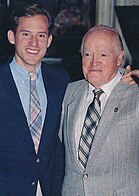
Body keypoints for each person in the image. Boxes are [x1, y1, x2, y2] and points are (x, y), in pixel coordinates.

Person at [60, 25, 139, 195]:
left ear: (119, 58)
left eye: (103, 54)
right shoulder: (68, 93)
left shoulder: (136, 92)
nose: (94, 62)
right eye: (87, 54)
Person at [0, 3, 70, 196]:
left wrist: (125, 82)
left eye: (40, 35)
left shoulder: (61, 80)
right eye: (26, 34)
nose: (34, 43)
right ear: (11, 37)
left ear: (48, 40)